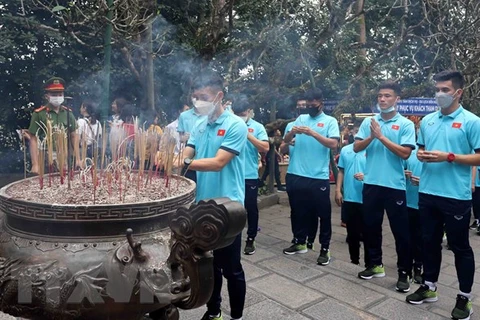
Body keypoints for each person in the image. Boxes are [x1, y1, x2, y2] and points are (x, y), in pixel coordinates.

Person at [405, 70, 480, 320]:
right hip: (427, 192)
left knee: (460, 248)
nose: (439, 94)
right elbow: (421, 149)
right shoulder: (427, 121)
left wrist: (448, 157)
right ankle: (429, 286)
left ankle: (464, 298)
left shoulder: (472, 121)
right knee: (429, 243)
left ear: (458, 92)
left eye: (445, 90)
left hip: (455, 196)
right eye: (437, 89)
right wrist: (422, 155)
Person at [182, 71, 247, 320]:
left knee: (231, 268)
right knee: (209, 264)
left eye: (204, 97)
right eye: (195, 97)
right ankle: (214, 311)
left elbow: (219, 162)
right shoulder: (199, 125)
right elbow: (187, 152)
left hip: (229, 209)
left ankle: (237, 316)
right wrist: (171, 159)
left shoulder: (235, 125)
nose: (198, 102)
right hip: (202, 207)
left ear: (219, 96)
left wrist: (184, 161)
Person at [353, 81, 415, 293]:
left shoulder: (405, 124)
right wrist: (372, 135)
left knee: (400, 232)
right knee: (370, 227)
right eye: (380, 96)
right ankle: (375, 265)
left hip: (394, 186)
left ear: (397, 99)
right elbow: (356, 147)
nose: (382, 99)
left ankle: (404, 273)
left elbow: (405, 153)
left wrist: (381, 136)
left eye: (387, 96)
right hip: (371, 183)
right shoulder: (370, 122)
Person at [282, 88, 339, 266]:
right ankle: (299, 242)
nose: (310, 106)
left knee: (323, 214)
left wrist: (312, 133)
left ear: (321, 102)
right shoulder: (300, 119)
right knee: (297, 211)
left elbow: (333, 144)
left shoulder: (330, 121)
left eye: (313, 103)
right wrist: (292, 134)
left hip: (317, 176)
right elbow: (285, 139)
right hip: (295, 173)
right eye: (307, 104)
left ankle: (324, 248)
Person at [232, 96, 269, 255]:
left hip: (249, 175)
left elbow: (265, 147)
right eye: (238, 113)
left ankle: (251, 238)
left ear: (249, 111)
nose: (241, 115)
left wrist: (247, 134)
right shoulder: (229, 125)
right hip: (232, 175)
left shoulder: (257, 127)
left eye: (243, 113)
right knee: (232, 209)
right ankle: (232, 238)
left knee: (251, 208)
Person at [280, 96, 318, 249]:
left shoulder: (318, 123)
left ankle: (311, 239)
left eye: (305, 104)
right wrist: (289, 140)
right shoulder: (291, 125)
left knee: (312, 208)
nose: (303, 107)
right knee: (296, 208)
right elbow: (282, 148)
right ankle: (297, 238)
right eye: (300, 105)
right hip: (294, 172)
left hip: (313, 173)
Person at [23, 77, 80, 173]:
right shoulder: (39, 114)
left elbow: (74, 136)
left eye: (60, 94)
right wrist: (35, 164)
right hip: (45, 155)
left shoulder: (68, 113)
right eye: (54, 94)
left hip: (64, 155)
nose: (57, 97)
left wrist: (78, 159)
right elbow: (33, 139)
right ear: (47, 96)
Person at [335, 142, 367, 266]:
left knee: (368, 233)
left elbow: (379, 171)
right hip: (350, 197)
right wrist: (338, 190)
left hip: (368, 198)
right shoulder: (346, 150)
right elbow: (341, 171)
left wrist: (366, 176)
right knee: (352, 234)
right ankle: (354, 261)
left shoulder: (372, 149)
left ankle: (370, 263)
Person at [177, 95, 208, 182]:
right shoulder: (183, 116)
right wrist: (184, 138)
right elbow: (180, 139)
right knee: (188, 179)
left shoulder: (208, 115)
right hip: (189, 150)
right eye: (195, 97)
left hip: (203, 151)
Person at [404, 149, 423, 284]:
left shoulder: (436, 152)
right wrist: (403, 173)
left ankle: (418, 266)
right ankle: (406, 267)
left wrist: (424, 182)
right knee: (406, 237)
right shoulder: (410, 151)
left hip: (425, 203)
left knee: (421, 239)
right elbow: (399, 169)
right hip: (407, 201)